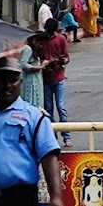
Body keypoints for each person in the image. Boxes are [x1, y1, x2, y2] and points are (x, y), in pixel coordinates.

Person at [0, 56, 64, 206]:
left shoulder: (34, 116)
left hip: (17, 199)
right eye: (2, 79)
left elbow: (49, 156)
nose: (7, 85)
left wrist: (56, 197)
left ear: (20, 82)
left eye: (12, 80)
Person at [33, 19, 71, 148]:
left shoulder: (61, 39)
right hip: (45, 77)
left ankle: (66, 136)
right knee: (48, 109)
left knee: (61, 108)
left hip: (58, 77)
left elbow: (66, 57)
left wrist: (61, 61)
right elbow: (35, 55)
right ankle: (52, 137)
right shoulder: (41, 40)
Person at [19, 33, 47, 108]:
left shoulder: (33, 50)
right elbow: (23, 64)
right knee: (31, 101)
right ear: (34, 41)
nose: (41, 46)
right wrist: (40, 67)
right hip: (30, 80)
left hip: (35, 79)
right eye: (40, 44)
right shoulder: (28, 49)